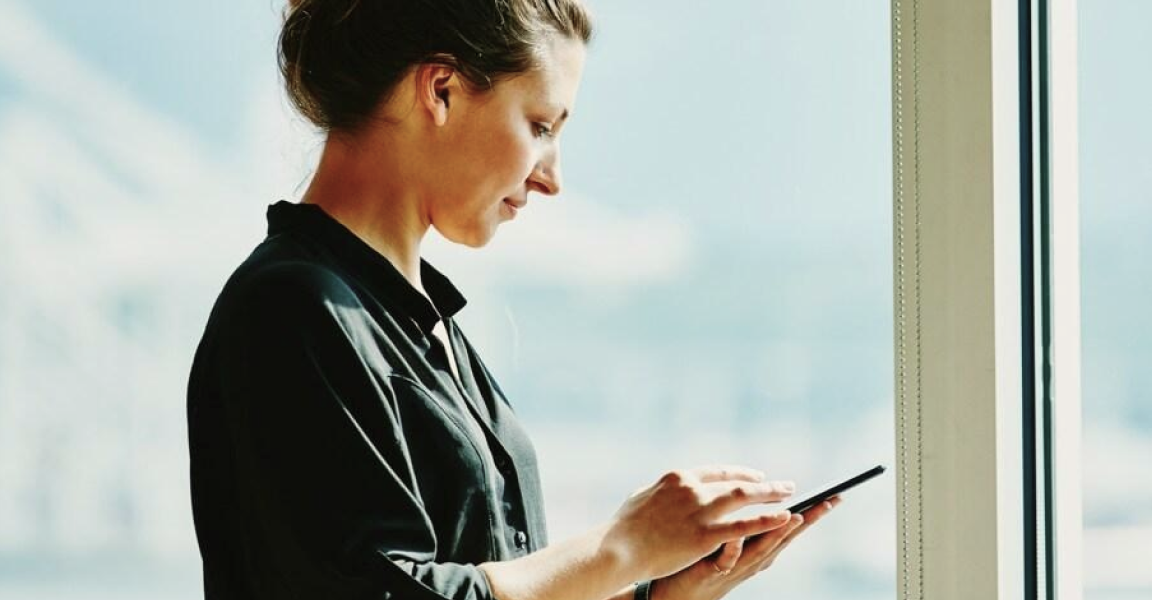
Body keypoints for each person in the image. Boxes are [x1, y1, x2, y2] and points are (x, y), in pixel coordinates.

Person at [186, 1, 840, 599]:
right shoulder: (294, 311)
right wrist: (622, 548)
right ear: (440, 90)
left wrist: (654, 595)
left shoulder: (418, 324)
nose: (552, 178)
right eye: (540, 125)